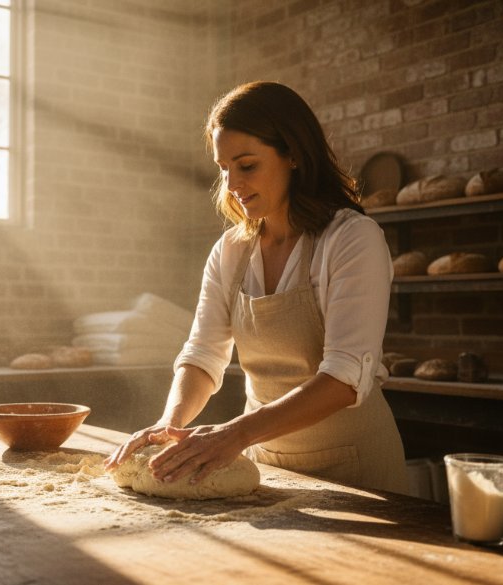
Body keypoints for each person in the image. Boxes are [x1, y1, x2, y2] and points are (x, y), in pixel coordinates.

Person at [104, 81, 408, 495]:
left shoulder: (352, 239)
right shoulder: (231, 251)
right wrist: (169, 423)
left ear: (295, 155)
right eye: (223, 168)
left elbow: (344, 377)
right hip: (267, 465)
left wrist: (235, 433)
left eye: (246, 165)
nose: (231, 183)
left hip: (355, 468)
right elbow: (203, 354)